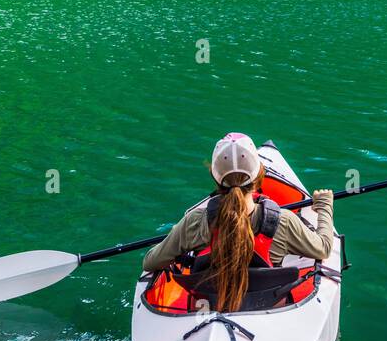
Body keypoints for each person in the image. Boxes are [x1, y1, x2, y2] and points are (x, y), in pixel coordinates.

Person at [141, 132, 334, 312]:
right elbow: (324, 248)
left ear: (215, 178)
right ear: (259, 175)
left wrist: (177, 246)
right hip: (266, 307)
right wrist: (324, 207)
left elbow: (150, 262)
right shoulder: (283, 221)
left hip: (208, 306)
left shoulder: (195, 222)